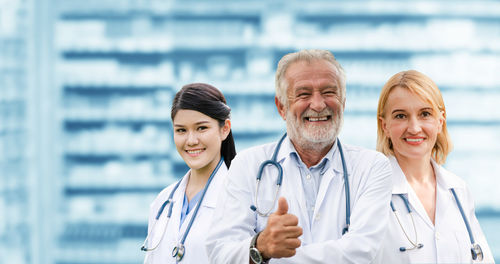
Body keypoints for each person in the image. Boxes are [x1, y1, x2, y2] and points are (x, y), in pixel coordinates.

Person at [206, 49, 393, 263]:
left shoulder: (372, 166)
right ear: (281, 107)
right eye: (304, 94)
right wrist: (261, 245)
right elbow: (220, 253)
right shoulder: (247, 165)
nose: (318, 104)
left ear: (343, 102)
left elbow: (361, 251)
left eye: (329, 92)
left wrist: (266, 255)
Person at [376, 70, 495, 263]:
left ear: (440, 122)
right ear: (385, 126)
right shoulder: (369, 192)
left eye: (425, 114)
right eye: (400, 116)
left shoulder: (458, 191)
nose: (414, 128)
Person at [142, 83, 236, 264]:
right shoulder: (163, 201)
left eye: (201, 128)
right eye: (181, 130)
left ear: (224, 129)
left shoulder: (240, 200)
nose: (191, 141)